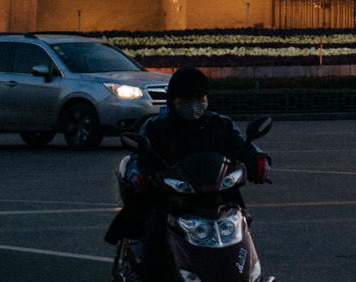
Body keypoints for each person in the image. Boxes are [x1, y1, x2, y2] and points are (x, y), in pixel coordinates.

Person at [105, 66, 268, 276]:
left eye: (199, 96)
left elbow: (243, 147)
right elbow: (139, 159)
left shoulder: (221, 124)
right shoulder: (155, 127)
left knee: (241, 224)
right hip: (171, 200)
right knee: (153, 234)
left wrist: (259, 161)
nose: (193, 103)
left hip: (216, 199)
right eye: (186, 98)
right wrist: (139, 176)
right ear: (173, 99)